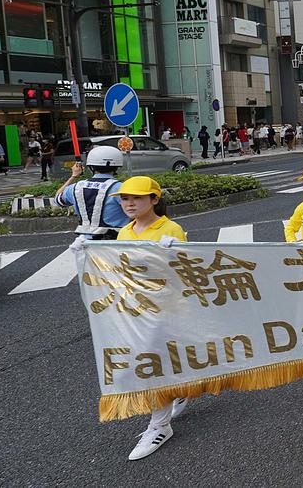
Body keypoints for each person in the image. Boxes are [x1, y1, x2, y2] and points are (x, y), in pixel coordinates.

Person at [108, 175, 188, 460]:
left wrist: (175, 253)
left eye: (137, 198)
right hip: (137, 310)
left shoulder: (170, 229)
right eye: (125, 198)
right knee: (160, 362)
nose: (129, 203)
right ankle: (179, 391)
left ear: (154, 200)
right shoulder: (124, 232)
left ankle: (160, 425)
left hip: (166, 309)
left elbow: (185, 271)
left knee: (152, 364)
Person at [54, 146, 129, 239]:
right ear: (117, 167)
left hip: (85, 243)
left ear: (90, 167)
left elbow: (58, 199)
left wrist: (74, 176)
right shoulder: (122, 188)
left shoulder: (75, 187)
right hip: (116, 242)